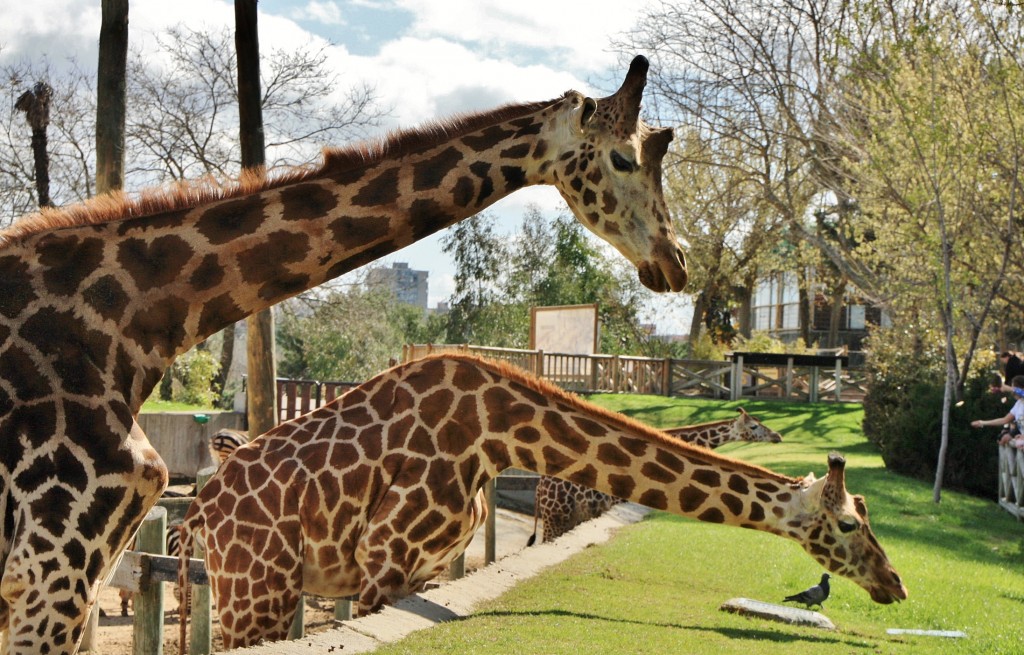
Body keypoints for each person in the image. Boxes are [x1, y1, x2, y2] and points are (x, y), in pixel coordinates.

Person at [972, 374, 1024, 448]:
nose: (1013, 393)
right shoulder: (1018, 405)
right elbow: (1004, 420)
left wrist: (1007, 388)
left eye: (1014, 388)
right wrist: (982, 422)